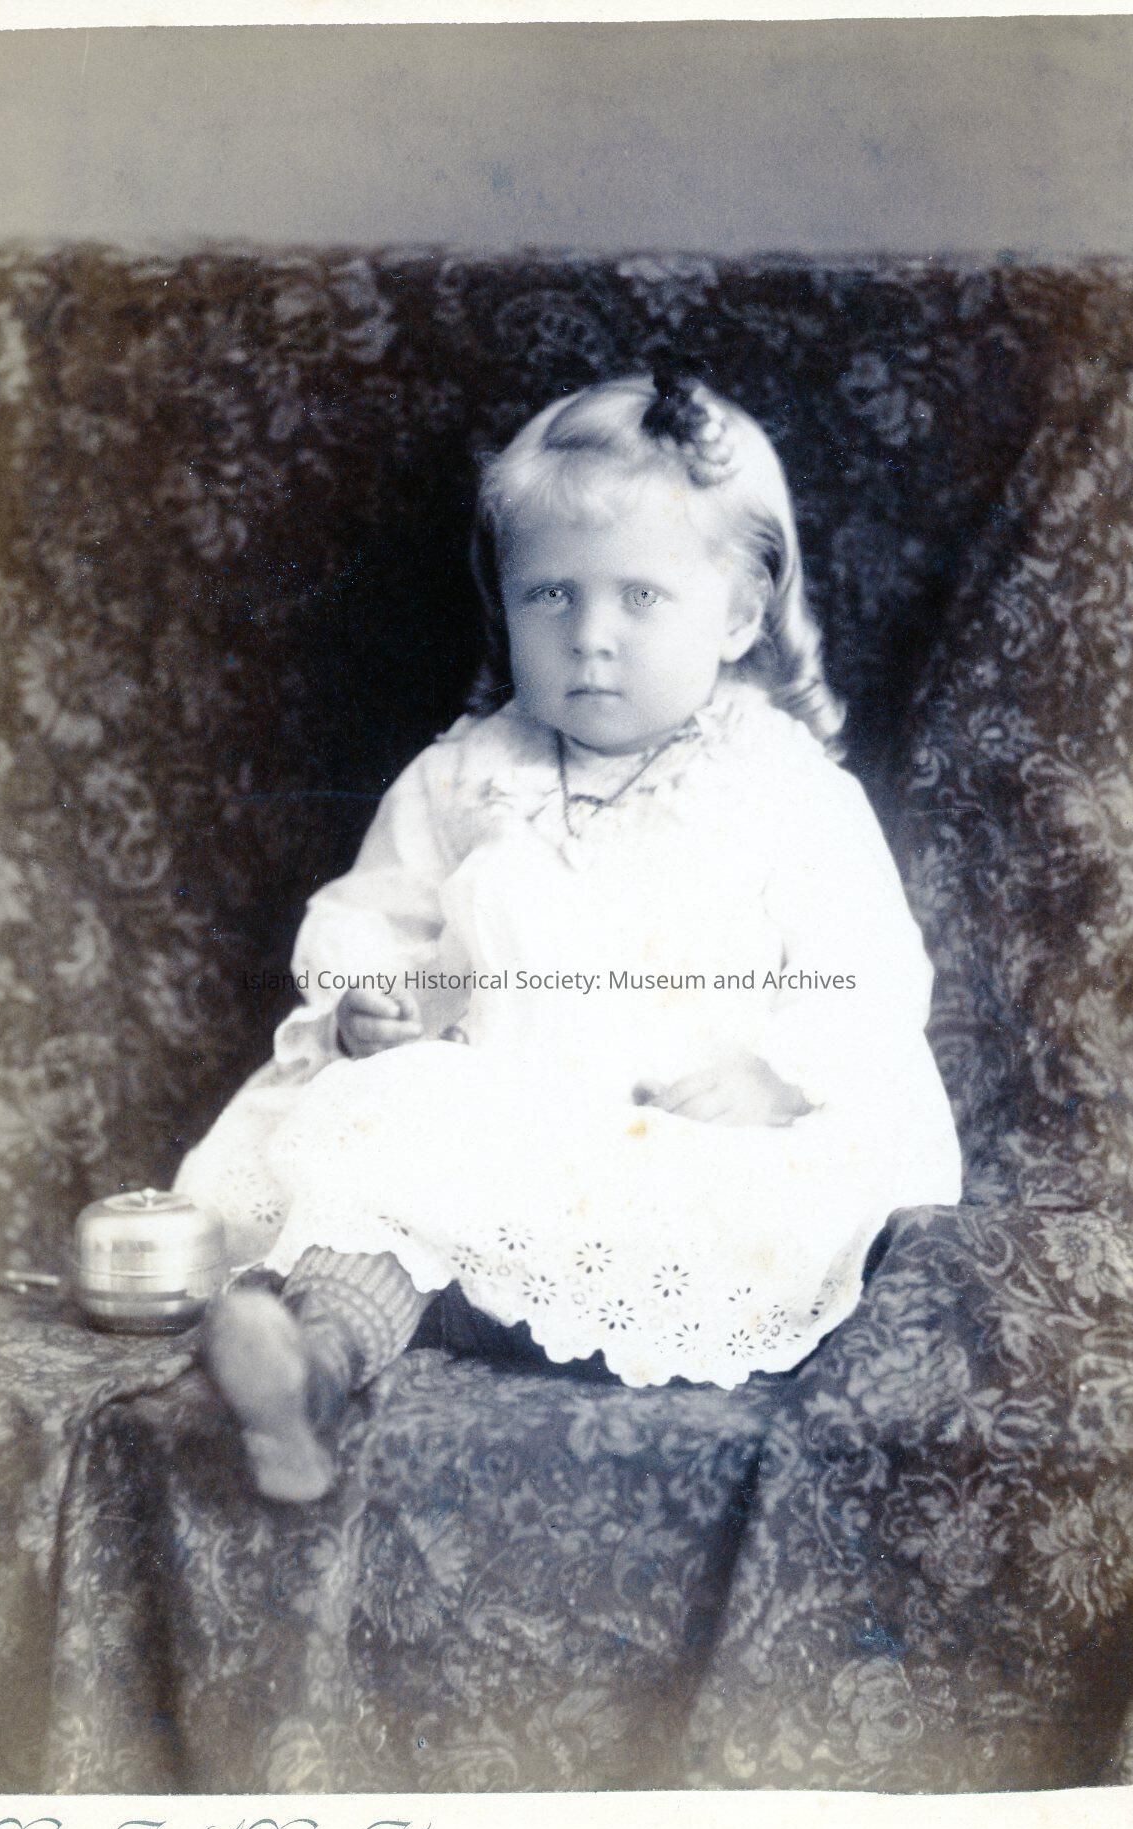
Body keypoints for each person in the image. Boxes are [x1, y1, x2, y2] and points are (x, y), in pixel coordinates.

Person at [175, 372, 962, 1502]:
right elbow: (366, 915)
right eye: (551, 595)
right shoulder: (465, 776)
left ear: (738, 614)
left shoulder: (784, 788)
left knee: (677, 1218)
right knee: (387, 1151)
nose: (590, 637)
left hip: (685, 1145)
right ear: (506, 601)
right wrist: (366, 1004)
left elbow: (871, 969)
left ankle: (455, 1319)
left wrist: (780, 1073)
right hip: (500, 1123)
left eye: (640, 596)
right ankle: (311, 1376)